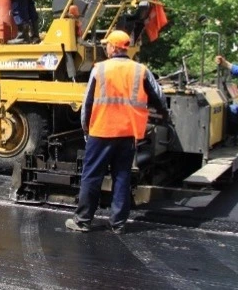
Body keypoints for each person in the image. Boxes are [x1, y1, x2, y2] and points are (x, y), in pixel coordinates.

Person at [65, 30, 168, 234]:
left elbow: (87, 104)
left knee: (92, 176)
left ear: (112, 47)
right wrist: (160, 117)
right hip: (128, 133)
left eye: (107, 45)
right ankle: (118, 224)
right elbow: (159, 98)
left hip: (101, 131)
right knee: (122, 177)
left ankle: (83, 221)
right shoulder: (141, 70)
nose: (106, 48)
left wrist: (86, 130)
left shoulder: (100, 69)